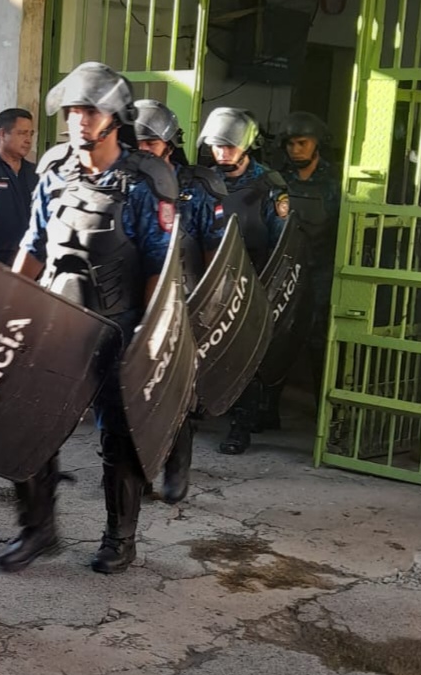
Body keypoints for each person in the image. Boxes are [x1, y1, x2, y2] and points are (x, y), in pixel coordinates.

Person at [0, 62, 177, 576]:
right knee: (29, 425)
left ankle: (120, 537)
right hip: (56, 323)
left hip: (116, 326)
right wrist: (7, 301)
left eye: (90, 110)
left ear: (114, 117)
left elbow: (158, 262)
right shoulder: (52, 171)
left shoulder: (144, 182)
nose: (78, 120)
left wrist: (146, 334)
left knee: (117, 436)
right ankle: (39, 529)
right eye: (74, 109)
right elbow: (33, 244)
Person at [134, 99, 226, 502]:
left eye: (150, 144)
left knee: (178, 390)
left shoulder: (199, 188)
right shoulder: (124, 182)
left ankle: (177, 467)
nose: (141, 150)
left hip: (184, 297)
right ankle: (139, 471)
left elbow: (214, 253)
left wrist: (209, 303)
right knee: (137, 389)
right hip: (134, 298)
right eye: (135, 142)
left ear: (169, 145)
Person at [199, 108, 290, 455]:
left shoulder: (269, 185)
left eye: (229, 147)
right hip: (210, 278)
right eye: (217, 146)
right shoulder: (205, 180)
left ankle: (241, 425)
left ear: (246, 145)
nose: (222, 153)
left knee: (245, 356)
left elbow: (282, 243)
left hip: (252, 275)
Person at [267, 111, 342, 423]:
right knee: (277, 336)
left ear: (316, 144)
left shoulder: (334, 184)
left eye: (303, 142)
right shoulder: (277, 179)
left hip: (322, 271)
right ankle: (268, 408)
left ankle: (327, 414)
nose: (295, 149)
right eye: (290, 144)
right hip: (286, 269)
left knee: (320, 342)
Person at [0, 108, 39, 266]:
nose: (28, 140)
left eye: (31, 134)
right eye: (22, 133)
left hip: (28, 261)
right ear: (2, 134)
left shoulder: (36, 173)